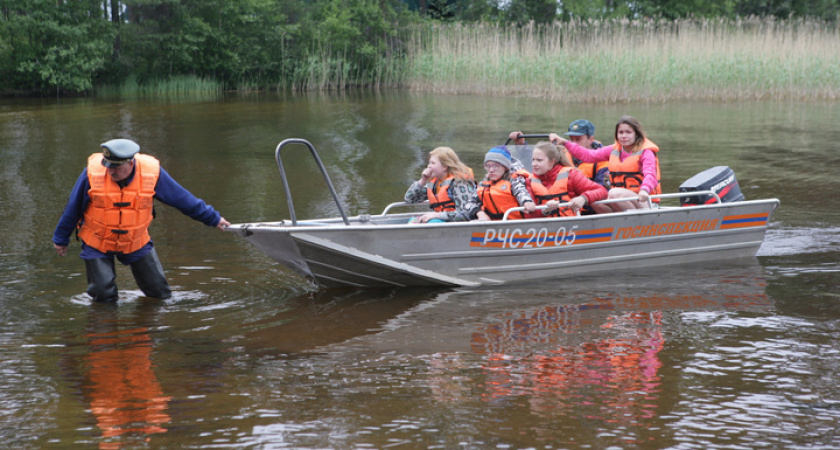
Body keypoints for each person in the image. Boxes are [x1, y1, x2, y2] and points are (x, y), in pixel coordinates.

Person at [52, 138, 231, 303]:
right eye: (107, 165)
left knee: (160, 294)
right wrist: (61, 238)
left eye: (115, 167)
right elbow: (72, 207)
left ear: (131, 163)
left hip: (135, 240)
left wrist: (213, 218)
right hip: (97, 240)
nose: (110, 170)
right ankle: (105, 335)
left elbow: (183, 200)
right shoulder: (92, 173)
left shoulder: (152, 173)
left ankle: (151, 330)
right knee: (103, 295)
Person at [549, 115, 660, 213]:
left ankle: (635, 224)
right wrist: (564, 142)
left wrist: (644, 190)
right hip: (622, 200)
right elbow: (588, 155)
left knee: (614, 193)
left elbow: (650, 174)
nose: (624, 136)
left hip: (644, 201)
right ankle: (617, 227)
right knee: (595, 200)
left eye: (628, 132)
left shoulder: (646, 152)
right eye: (621, 132)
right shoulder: (613, 149)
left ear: (636, 134)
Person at [509, 119, 609, 187]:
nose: (573, 143)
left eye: (578, 139)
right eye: (571, 139)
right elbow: (539, 163)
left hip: (588, 207)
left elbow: (602, 189)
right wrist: (521, 145)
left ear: (590, 139)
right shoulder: (562, 152)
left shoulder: (602, 160)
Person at [525, 141, 608, 218]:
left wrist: (583, 198)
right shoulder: (530, 181)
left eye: (539, 160)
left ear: (551, 162)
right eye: (533, 160)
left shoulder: (571, 175)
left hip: (571, 225)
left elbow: (602, 191)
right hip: (543, 229)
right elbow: (529, 215)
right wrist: (545, 210)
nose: (534, 164)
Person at [457, 146, 536, 221]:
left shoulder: (515, 180)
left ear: (505, 167)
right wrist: (479, 213)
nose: (491, 170)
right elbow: (469, 203)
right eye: (487, 166)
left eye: (495, 166)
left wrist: (526, 202)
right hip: (492, 224)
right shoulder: (484, 183)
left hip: (514, 224)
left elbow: (521, 192)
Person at [404, 146, 476, 223]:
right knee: (413, 221)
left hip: (457, 224)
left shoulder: (460, 183)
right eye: (429, 163)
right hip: (442, 220)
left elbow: (465, 214)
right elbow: (409, 199)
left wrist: (437, 215)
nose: (428, 166)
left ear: (444, 166)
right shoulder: (435, 184)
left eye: (433, 163)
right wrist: (423, 180)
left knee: (433, 222)